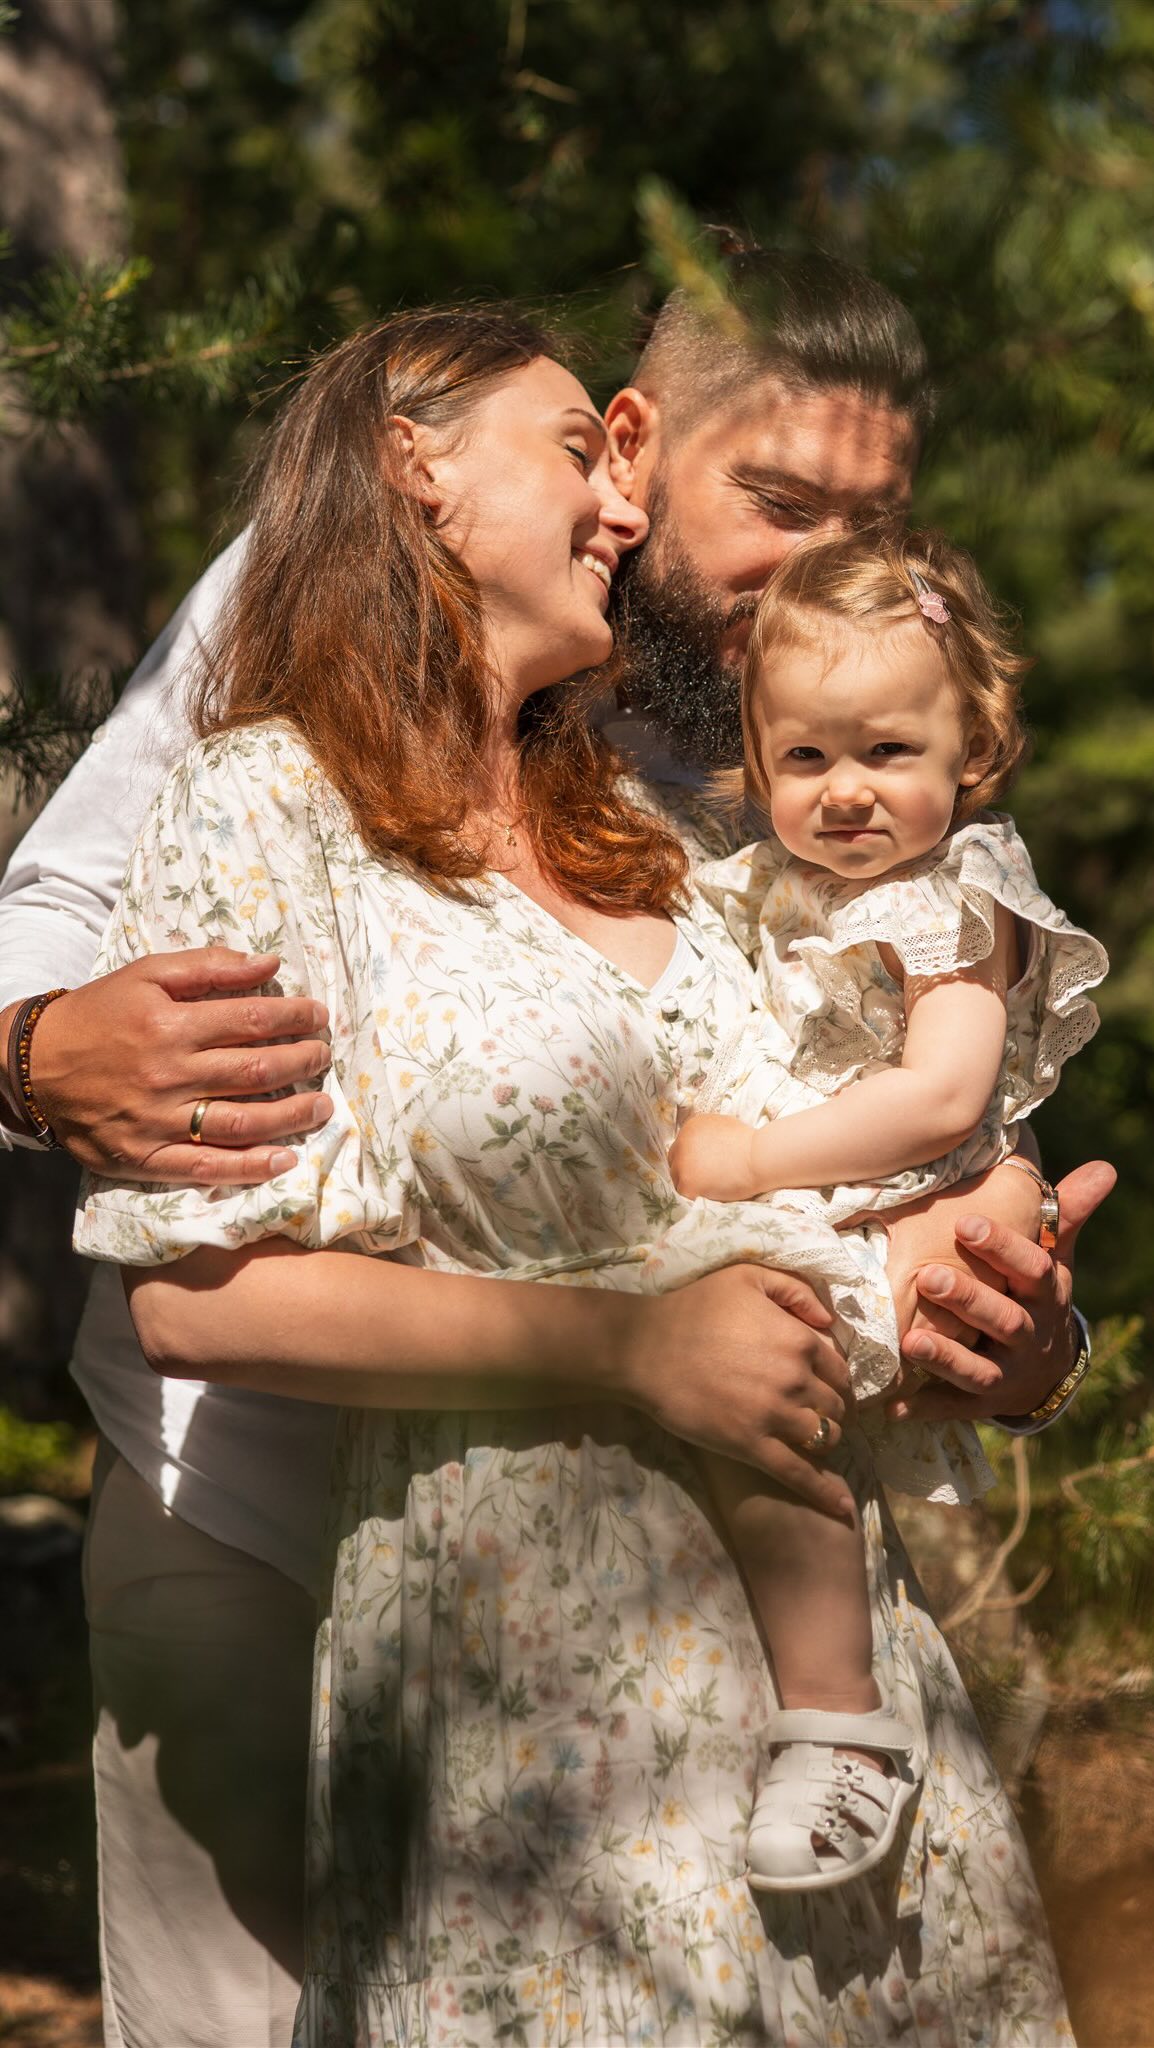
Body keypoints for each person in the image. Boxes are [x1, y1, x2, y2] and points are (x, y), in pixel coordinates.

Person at [0, 249, 1107, 2043]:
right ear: (633, 440)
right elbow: (64, 911)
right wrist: (36, 1050)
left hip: (697, 1581)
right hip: (271, 1512)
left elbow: (862, 1114)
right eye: (774, 502)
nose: (818, 565)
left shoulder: (748, 761)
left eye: (870, 518)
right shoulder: (303, 705)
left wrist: (995, 1303)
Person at [660, 523, 1107, 1892]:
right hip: (836, 1181)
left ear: (969, 749)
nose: (844, 792)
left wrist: (742, 1164)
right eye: (805, 758)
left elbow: (936, 1098)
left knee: (777, 1378)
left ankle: (841, 1719)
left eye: (886, 754)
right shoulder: (762, 885)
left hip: (912, 1184)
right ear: (753, 755)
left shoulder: (954, 897)